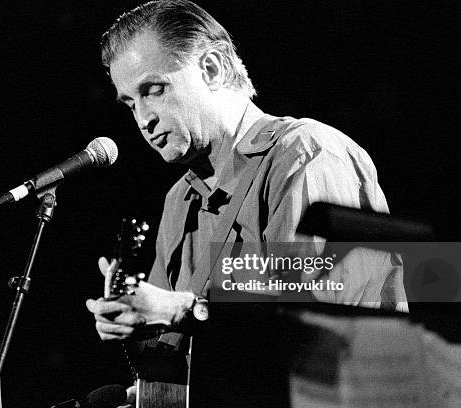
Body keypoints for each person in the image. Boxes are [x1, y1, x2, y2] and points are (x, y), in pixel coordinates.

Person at [85, 0, 407, 403]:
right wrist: (133, 317)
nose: (143, 119)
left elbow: (312, 322)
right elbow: (175, 363)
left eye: (154, 90)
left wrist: (181, 309)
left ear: (213, 69)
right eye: (130, 102)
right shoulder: (179, 199)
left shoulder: (306, 154)